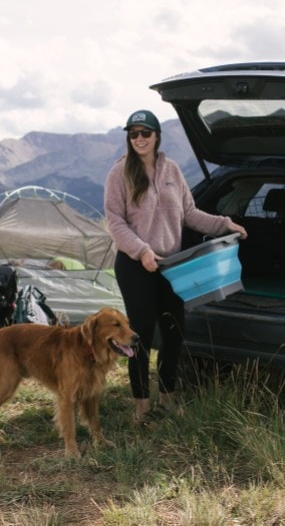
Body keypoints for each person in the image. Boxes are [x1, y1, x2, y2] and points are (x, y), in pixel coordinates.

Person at [104, 109, 247, 424]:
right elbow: (114, 221)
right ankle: (141, 405)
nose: (140, 139)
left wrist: (226, 225)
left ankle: (167, 398)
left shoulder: (171, 170)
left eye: (145, 133)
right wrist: (141, 251)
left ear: (157, 136)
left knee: (174, 334)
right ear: (129, 138)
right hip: (134, 265)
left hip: (172, 266)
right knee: (139, 335)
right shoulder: (119, 173)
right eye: (134, 133)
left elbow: (190, 214)